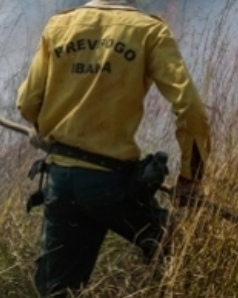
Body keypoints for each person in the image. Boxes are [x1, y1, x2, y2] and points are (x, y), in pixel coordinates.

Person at [15, 0, 211, 296]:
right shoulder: (148, 31)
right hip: (111, 185)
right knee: (178, 249)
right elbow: (191, 109)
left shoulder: (59, 26)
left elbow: (27, 104)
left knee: (59, 291)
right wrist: (191, 177)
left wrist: (44, 128)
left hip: (61, 181)